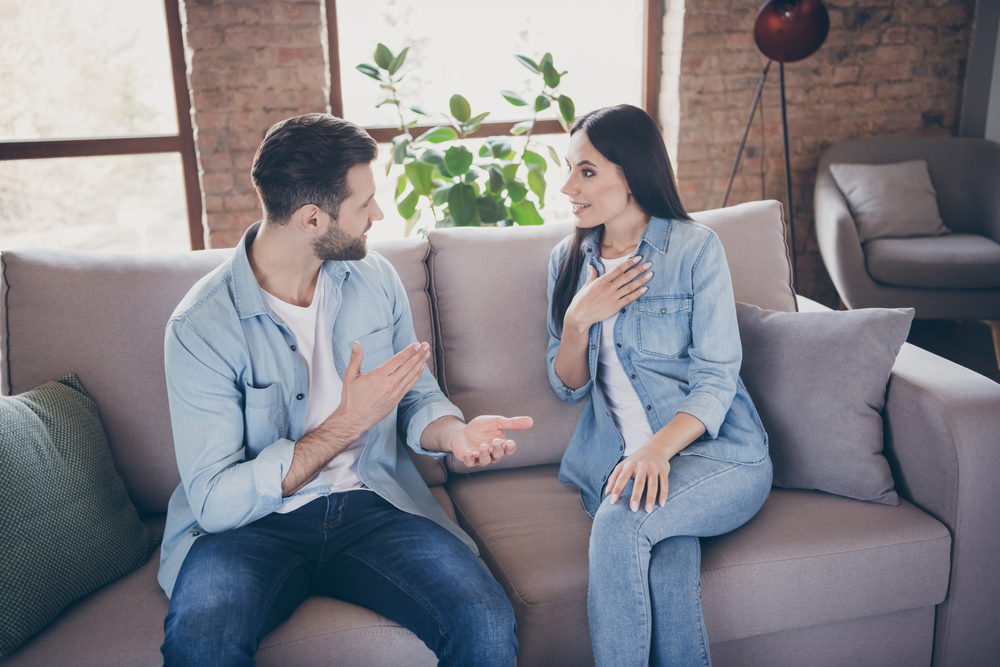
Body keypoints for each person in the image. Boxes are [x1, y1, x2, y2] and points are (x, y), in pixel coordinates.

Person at [158, 113, 531, 666]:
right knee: (201, 645)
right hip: (251, 528)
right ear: (312, 218)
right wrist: (347, 424)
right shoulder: (201, 327)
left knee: (485, 620)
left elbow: (414, 395)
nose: (378, 215)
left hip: (372, 505)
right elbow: (214, 502)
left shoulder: (374, 278)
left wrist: (454, 434)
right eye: (365, 204)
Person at [546, 104, 772, 666]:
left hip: (720, 457)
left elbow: (717, 380)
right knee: (667, 567)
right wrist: (579, 321)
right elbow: (567, 386)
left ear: (633, 172)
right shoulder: (567, 260)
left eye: (588, 171)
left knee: (620, 525)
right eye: (570, 169)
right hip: (619, 462)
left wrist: (655, 450)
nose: (569, 186)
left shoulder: (695, 249)